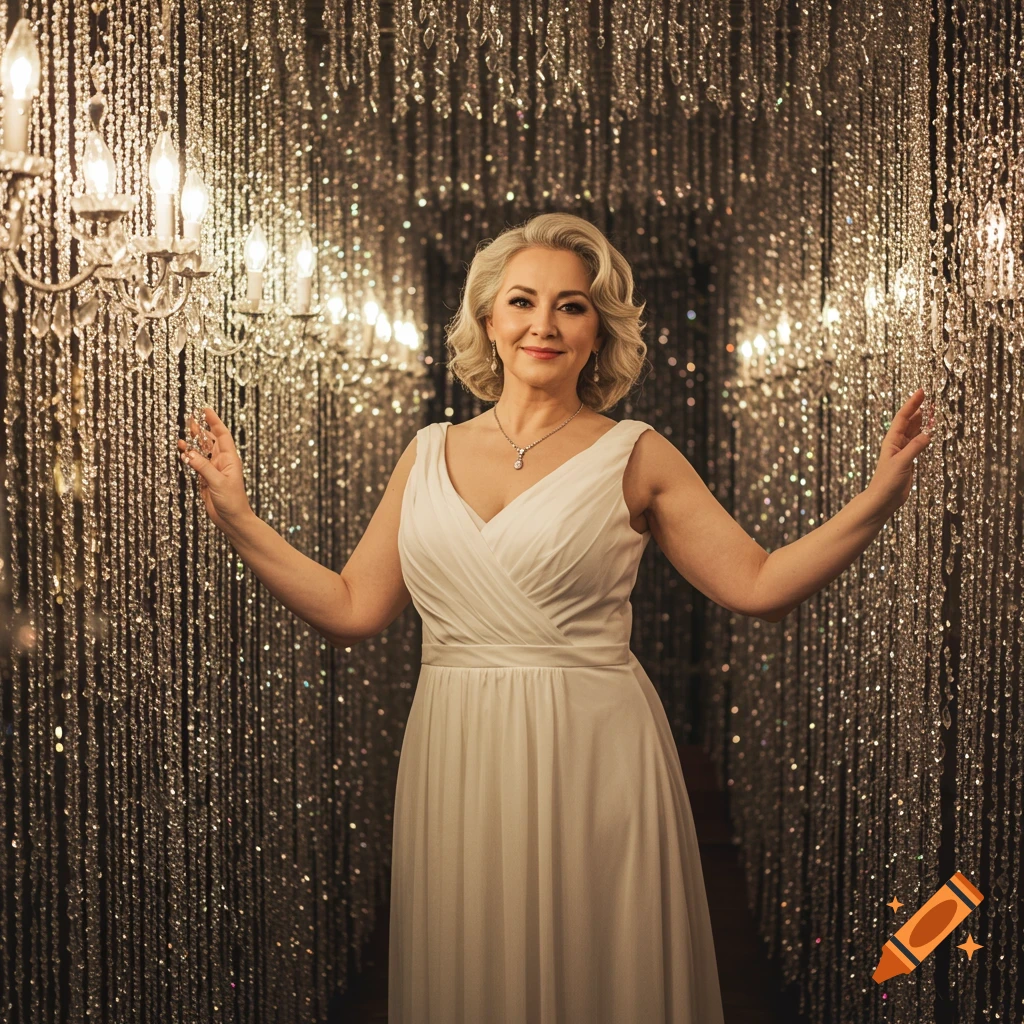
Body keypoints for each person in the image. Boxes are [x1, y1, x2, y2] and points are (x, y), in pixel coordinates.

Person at [179, 212, 933, 1023]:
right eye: (523, 302)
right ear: (488, 321)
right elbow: (354, 607)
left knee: (595, 974)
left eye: (571, 306)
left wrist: (879, 495)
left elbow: (758, 583)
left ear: (599, 331)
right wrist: (238, 518)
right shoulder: (426, 452)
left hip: (593, 752)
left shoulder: (635, 451)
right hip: (456, 748)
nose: (544, 324)